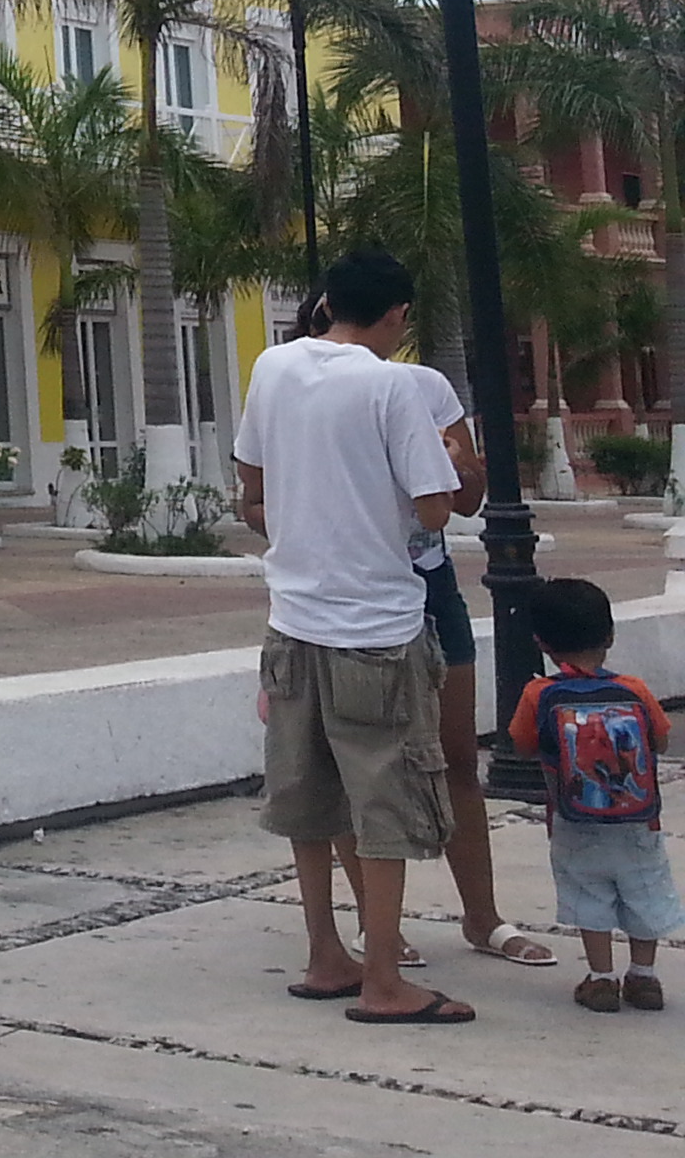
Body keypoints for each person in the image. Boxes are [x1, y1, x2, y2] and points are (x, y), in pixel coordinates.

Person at [233, 249, 469, 1023]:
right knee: (384, 804)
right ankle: (385, 979)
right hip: (376, 624)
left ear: (327, 302)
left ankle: (325, 954)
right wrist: (447, 458)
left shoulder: (271, 366)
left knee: (307, 796)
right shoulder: (392, 385)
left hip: (292, 618)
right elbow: (435, 508)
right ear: (398, 315)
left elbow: (252, 487)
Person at [305, 293, 558, 972]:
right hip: (351, 590)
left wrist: (452, 461)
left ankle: (484, 917)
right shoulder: (301, 390)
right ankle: (378, 925)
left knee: (455, 757)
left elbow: (467, 499)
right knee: (359, 766)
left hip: (428, 584)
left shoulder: (422, 385)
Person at [509, 575, 681, 1013]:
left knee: (589, 893)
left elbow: (523, 744)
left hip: (573, 820)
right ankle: (643, 976)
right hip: (639, 820)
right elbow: (661, 740)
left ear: (541, 642)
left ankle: (601, 979)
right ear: (610, 636)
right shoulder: (635, 689)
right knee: (643, 890)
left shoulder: (539, 693)